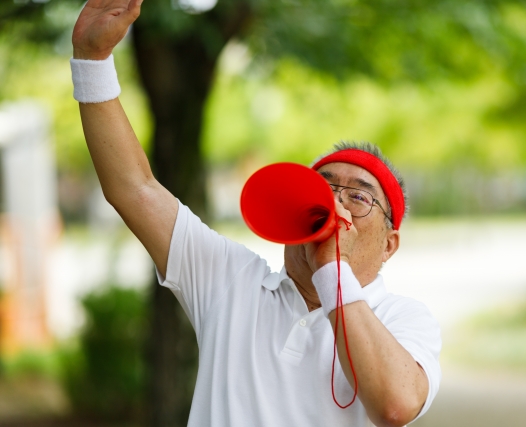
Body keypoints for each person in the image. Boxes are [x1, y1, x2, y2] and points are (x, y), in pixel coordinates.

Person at [70, 1, 441, 426]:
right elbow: (134, 190)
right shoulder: (230, 281)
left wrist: (332, 271)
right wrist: (92, 60)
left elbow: (395, 406)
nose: (336, 203)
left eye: (359, 198)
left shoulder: (404, 320)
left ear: (389, 244)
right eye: (323, 188)